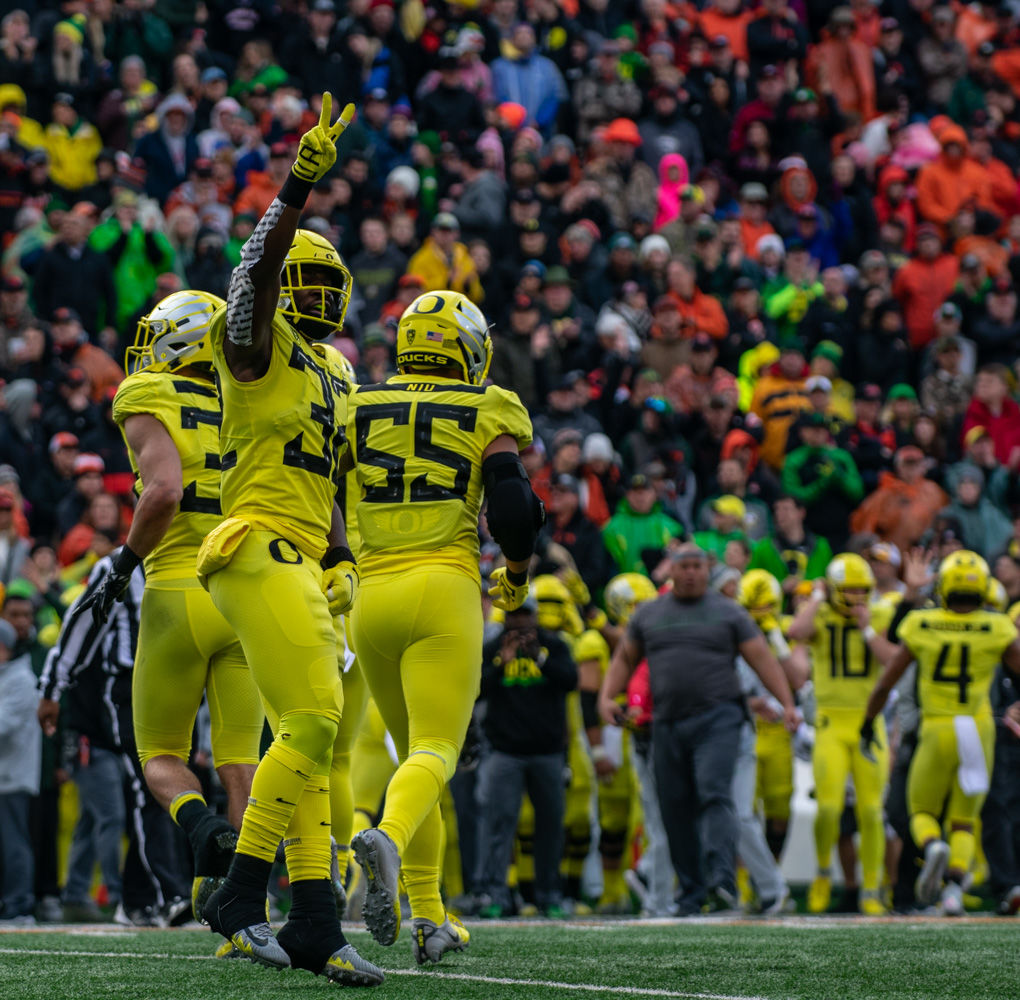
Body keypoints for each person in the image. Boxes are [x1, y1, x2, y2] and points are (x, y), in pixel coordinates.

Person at [197, 94, 382, 985]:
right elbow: (260, 268)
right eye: (315, 276)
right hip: (253, 542)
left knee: (305, 743)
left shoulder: (338, 371)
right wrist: (300, 182)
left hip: (303, 552)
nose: (325, 287)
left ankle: (314, 919)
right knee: (313, 721)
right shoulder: (254, 343)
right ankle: (239, 895)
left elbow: (331, 477)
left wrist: (342, 553)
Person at [346, 287, 542, 960]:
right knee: (436, 752)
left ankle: (430, 919)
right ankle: (388, 840)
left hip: (369, 598)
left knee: (413, 761)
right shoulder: (488, 404)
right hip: (443, 585)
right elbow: (514, 507)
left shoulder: (355, 402)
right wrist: (515, 575)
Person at [78, 291, 264, 924]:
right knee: (243, 760)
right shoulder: (248, 395)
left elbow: (162, 491)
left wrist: (124, 563)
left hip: (178, 588)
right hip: (243, 593)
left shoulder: (145, 393)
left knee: (158, 754)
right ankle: (244, 902)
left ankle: (200, 824)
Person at [598, 543, 798, 914]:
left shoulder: (729, 612)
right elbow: (625, 658)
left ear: (707, 571)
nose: (690, 572)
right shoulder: (651, 614)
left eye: (697, 566)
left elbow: (762, 659)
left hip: (719, 717)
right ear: (672, 571)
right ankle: (690, 892)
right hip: (668, 720)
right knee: (674, 806)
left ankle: (721, 880)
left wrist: (787, 702)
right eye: (684, 566)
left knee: (713, 791)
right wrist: (608, 697)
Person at [862, 551, 1020, 915]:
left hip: (935, 726)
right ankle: (953, 889)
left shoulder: (923, 623)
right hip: (978, 729)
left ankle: (932, 845)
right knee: (965, 819)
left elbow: (886, 682)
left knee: (920, 811)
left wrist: (867, 722)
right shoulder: (997, 626)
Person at [787, 553, 898, 915]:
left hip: (868, 724)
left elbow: (892, 661)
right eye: (847, 590)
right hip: (831, 723)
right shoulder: (819, 612)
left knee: (870, 810)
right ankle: (822, 873)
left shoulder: (879, 613)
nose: (855, 597)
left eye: (861, 590)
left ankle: (871, 888)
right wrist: (817, 597)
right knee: (830, 808)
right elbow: (795, 633)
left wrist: (867, 627)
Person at [475, 598, 577, 916]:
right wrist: (500, 664)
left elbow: (571, 681)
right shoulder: (491, 647)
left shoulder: (554, 645)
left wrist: (540, 659)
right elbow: (475, 689)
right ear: (505, 618)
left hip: (547, 751)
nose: (520, 623)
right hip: (505, 750)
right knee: (499, 825)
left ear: (535, 616)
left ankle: (549, 895)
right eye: (514, 615)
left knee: (550, 826)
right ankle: (496, 895)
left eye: (525, 615)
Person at [0, 618, 39, 925]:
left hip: (12, 777)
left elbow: (4, 725)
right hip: (4, 777)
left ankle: (20, 907)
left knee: (14, 844)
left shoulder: (21, 679)